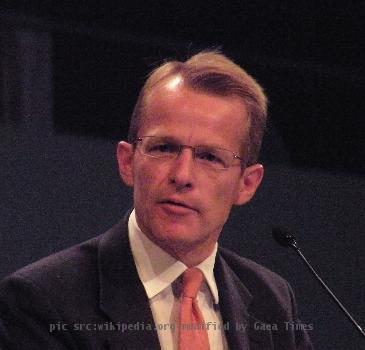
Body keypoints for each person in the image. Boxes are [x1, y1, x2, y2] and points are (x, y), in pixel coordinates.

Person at [0, 51, 312, 349]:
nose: (182, 174)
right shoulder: (43, 300)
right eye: (164, 147)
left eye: (209, 157)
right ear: (128, 161)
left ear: (247, 184)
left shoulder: (273, 301)